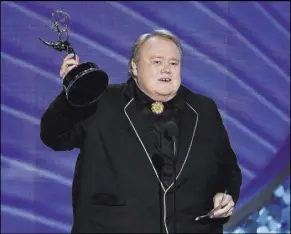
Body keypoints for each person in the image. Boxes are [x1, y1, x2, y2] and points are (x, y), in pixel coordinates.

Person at [40, 29, 242, 233]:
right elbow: (55, 137)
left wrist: (225, 194)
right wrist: (71, 94)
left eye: (173, 63)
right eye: (157, 62)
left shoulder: (203, 109)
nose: (166, 70)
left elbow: (228, 169)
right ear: (134, 67)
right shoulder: (100, 101)